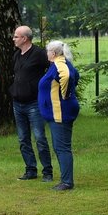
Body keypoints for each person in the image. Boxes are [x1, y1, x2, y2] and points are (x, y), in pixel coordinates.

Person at [10, 25, 52, 181]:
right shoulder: (17, 55)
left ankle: (47, 171)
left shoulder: (40, 54)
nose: (13, 39)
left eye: (16, 36)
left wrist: (45, 85)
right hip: (17, 103)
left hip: (34, 103)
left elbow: (53, 67)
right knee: (23, 138)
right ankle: (30, 170)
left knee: (39, 137)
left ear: (24, 38)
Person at [38, 40, 80, 191]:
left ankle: (67, 182)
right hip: (58, 112)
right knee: (60, 146)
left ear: (53, 53)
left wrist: (66, 93)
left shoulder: (59, 64)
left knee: (62, 147)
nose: (47, 54)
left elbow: (68, 76)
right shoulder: (60, 63)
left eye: (48, 51)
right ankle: (65, 179)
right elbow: (77, 75)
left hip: (60, 112)